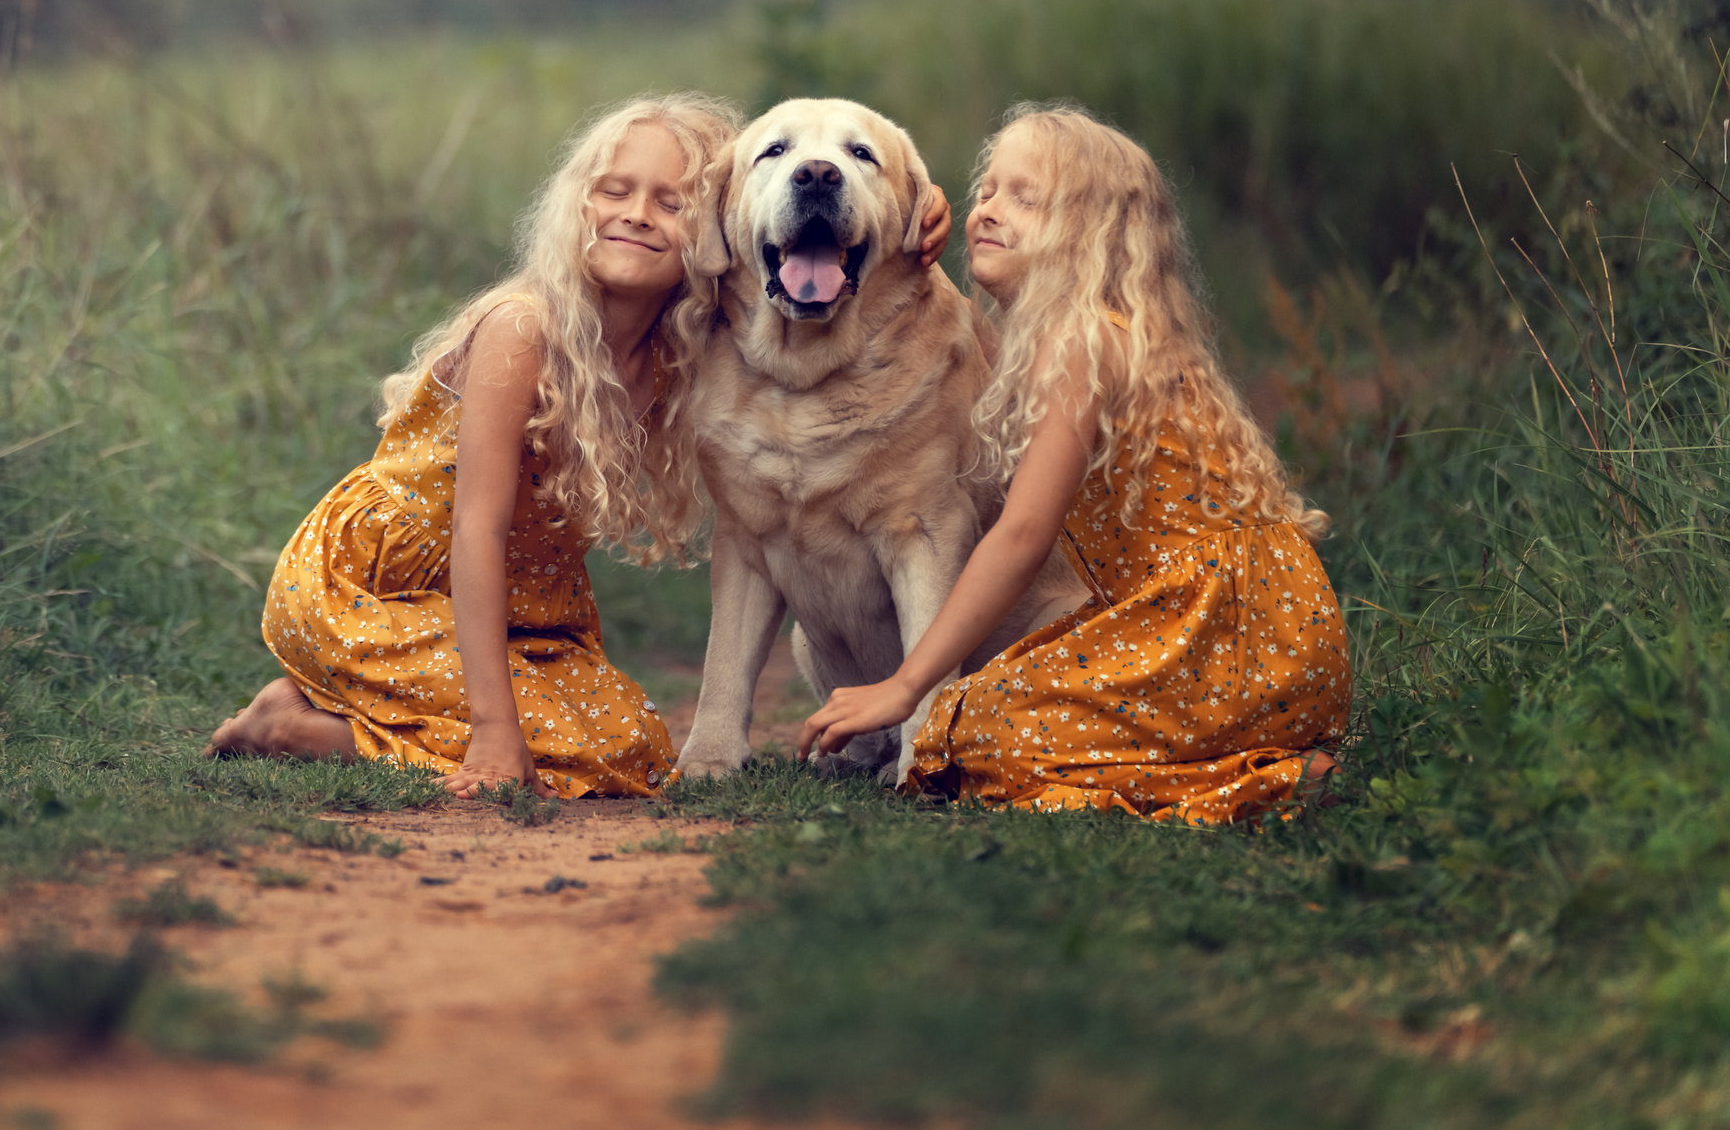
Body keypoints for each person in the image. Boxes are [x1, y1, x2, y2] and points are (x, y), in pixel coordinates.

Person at [211, 92, 954, 797]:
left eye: (670, 203)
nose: (637, 215)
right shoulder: (521, 329)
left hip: (518, 605)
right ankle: (290, 723)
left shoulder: (688, 347)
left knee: (629, 744)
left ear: (712, 230)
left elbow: (838, 234)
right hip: (377, 583)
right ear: (578, 203)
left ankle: (359, 705)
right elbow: (478, 528)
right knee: (531, 740)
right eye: (614, 191)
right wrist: (495, 734)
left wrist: (922, 209)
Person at [797, 102, 1350, 823]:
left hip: (1219, 637)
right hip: (1267, 635)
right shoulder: (1064, 336)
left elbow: (1023, 536)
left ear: (1091, 235)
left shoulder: (1080, 343)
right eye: (987, 190)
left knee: (961, 731)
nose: (990, 209)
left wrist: (906, 684)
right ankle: (1256, 752)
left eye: (1026, 198)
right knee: (974, 713)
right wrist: (914, 214)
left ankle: (1276, 775)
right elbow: (925, 318)